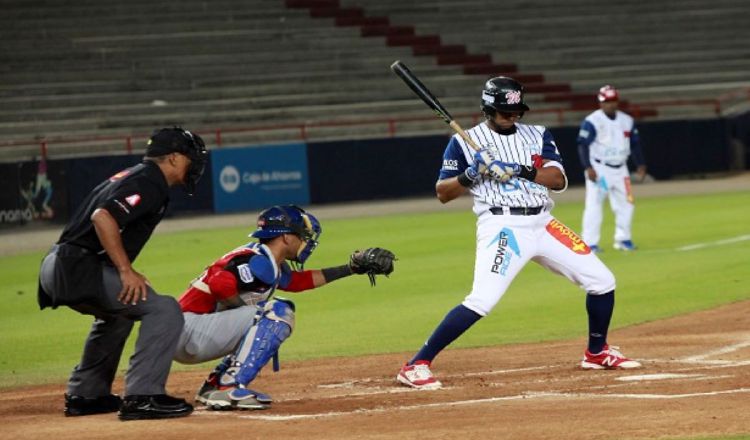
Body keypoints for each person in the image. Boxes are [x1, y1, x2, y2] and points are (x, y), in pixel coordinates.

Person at [396, 77, 641, 390]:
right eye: (505, 112)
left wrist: (520, 169)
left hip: (543, 222)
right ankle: (416, 364)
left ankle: (596, 351)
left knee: (603, 281)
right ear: (488, 109)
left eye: (516, 112)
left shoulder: (537, 135)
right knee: (482, 300)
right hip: (503, 226)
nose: (513, 117)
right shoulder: (464, 141)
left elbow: (558, 180)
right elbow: (443, 193)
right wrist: (471, 174)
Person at [37, 127, 208, 420]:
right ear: (174, 158)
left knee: (120, 312)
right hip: (78, 266)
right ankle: (143, 396)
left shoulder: (136, 175)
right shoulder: (149, 181)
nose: (195, 164)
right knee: (164, 309)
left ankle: (87, 395)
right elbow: (103, 217)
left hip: (58, 265)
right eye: (191, 158)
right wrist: (125, 270)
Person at [174, 205, 396, 410]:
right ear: (286, 237)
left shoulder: (266, 260)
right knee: (276, 312)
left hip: (185, 331)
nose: (305, 242)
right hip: (190, 331)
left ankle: (214, 386)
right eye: (302, 236)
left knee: (263, 315)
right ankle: (227, 387)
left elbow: (298, 282)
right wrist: (244, 313)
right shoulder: (259, 262)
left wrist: (350, 269)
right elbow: (219, 283)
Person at [577, 85, 647, 252]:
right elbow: (582, 145)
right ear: (600, 102)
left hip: (621, 169)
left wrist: (640, 164)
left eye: (612, 101)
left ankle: (623, 239)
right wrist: (588, 167)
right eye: (606, 101)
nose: (610, 104)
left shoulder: (626, 120)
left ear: (617, 101)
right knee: (594, 205)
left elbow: (635, 144)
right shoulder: (593, 121)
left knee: (627, 203)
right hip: (600, 168)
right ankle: (590, 243)